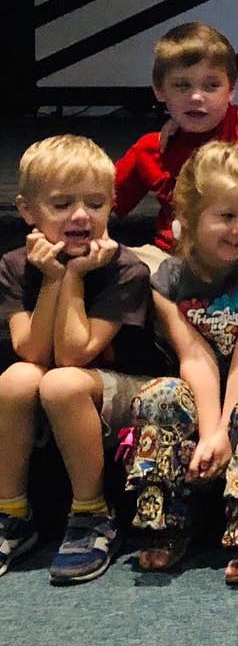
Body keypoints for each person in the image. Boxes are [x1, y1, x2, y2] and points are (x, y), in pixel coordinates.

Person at [123, 141, 238, 583]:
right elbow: (194, 356)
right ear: (186, 217)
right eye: (226, 216)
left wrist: (226, 428)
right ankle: (167, 524)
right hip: (204, 386)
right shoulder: (167, 278)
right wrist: (210, 431)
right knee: (160, 396)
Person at [0, 136, 164, 583]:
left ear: (112, 206)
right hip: (61, 377)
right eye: (61, 203)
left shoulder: (125, 268)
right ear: (28, 211)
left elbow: (73, 355)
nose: (80, 215)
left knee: (62, 382)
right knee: (16, 378)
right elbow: (32, 351)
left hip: (127, 388)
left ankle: (93, 514)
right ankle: (12, 513)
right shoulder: (16, 265)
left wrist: (72, 277)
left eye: (94, 203)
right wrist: (53, 278)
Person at [113, 22, 238, 272]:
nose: (196, 97)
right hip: (174, 263)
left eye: (211, 85)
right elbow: (101, 199)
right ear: (160, 90)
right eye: (182, 86)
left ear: (232, 89)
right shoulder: (151, 149)